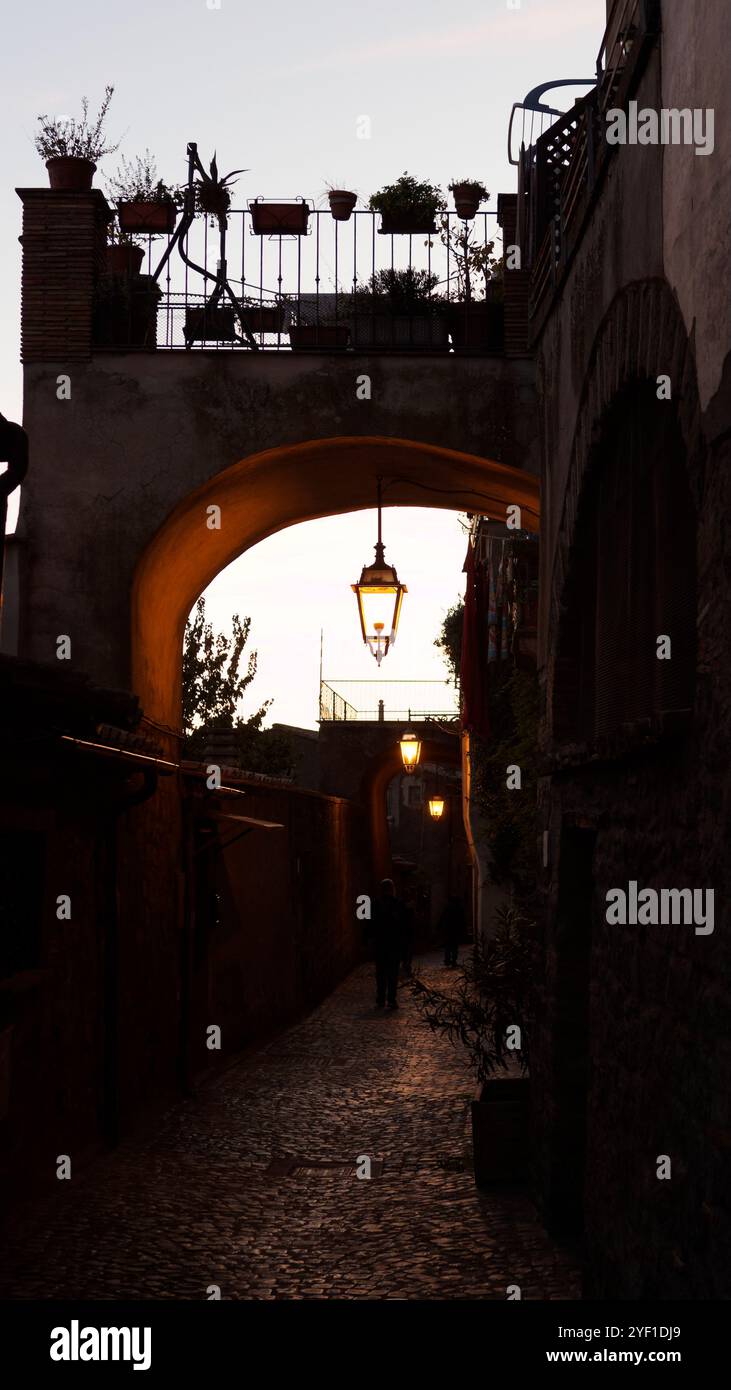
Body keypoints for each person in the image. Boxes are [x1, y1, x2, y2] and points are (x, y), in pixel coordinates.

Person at [367, 878, 408, 1009]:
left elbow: (369, 925)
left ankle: (380, 999)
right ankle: (391, 999)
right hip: (394, 944)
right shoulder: (398, 904)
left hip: (380, 944)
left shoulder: (375, 904)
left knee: (380, 973)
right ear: (392, 889)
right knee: (392, 974)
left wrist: (369, 940)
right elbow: (404, 926)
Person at [440, 894, 465, 967]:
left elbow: (442, 917)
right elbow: (462, 920)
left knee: (448, 946)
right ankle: (453, 961)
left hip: (448, 929)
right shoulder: (460, 908)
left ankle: (447, 960)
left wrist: (439, 927)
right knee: (454, 946)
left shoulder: (447, 907)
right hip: (455, 930)